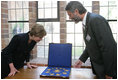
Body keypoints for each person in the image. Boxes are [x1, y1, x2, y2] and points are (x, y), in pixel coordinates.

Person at [65, 1, 117, 79]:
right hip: (99, 70)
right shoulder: (86, 22)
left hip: (107, 72)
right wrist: (82, 59)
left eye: (70, 14)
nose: (69, 18)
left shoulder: (96, 20)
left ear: (76, 11)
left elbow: (108, 48)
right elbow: (91, 44)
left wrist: (109, 73)